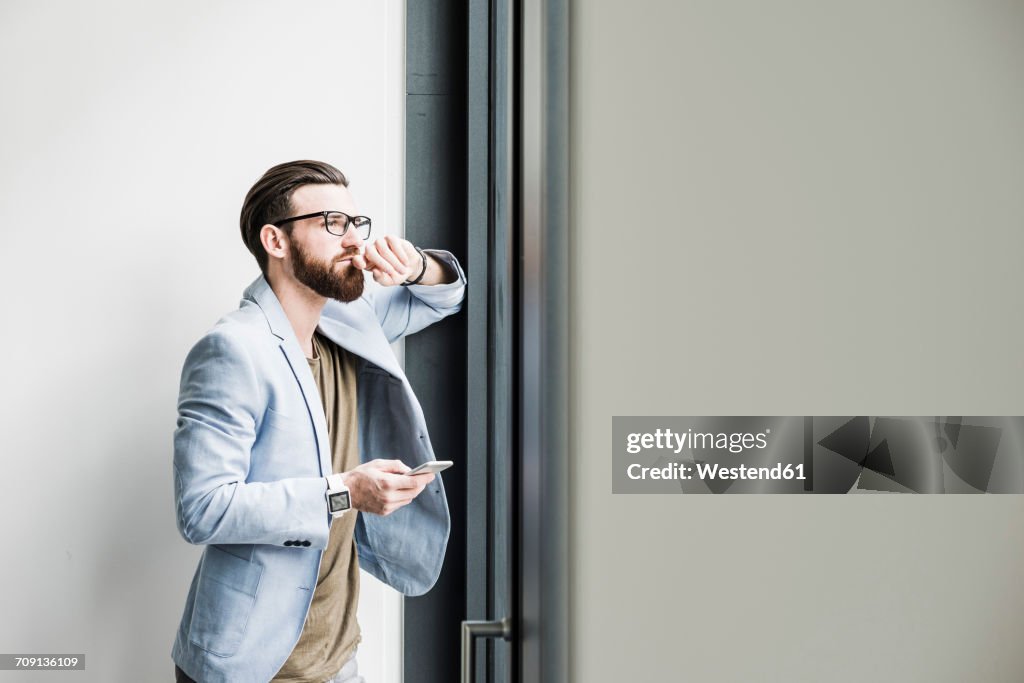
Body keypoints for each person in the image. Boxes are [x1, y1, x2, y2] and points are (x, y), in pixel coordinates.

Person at [170, 160, 465, 682]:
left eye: (356, 223)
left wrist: (416, 266)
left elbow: (445, 296)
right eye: (332, 223)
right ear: (276, 241)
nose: (354, 240)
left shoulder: (350, 322)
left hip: (336, 658)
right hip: (253, 665)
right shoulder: (233, 349)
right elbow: (203, 509)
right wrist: (344, 492)